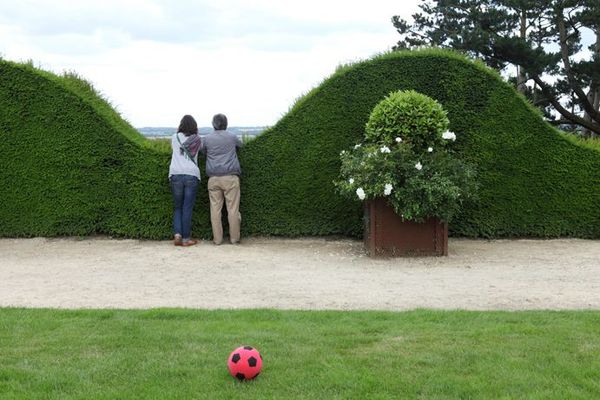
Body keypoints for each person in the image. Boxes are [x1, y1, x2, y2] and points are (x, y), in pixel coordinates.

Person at [201, 113, 243, 245]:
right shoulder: (232, 136)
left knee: (215, 210)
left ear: (213, 124)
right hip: (230, 177)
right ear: (226, 124)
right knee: (233, 209)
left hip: (213, 178)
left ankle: (217, 240)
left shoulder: (206, 138)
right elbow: (241, 145)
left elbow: (203, 151)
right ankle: (234, 238)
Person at [168, 114, 201, 246]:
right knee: (187, 207)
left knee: (177, 207)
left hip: (175, 173)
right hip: (191, 174)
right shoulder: (197, 139)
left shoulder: (174, 138)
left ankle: (177, 235)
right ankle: (186, 239)